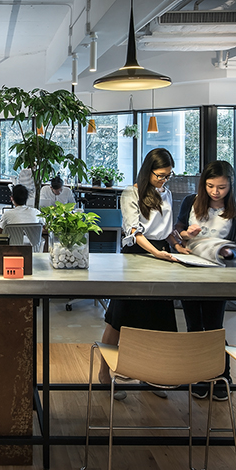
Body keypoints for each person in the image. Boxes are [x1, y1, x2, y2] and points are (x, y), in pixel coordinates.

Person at [99, 148, 181, 400]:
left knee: (158, 320)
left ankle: (151, 375)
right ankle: (105, 373)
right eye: (160, 175)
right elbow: (135, 232)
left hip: (161, 254)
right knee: (119, 318)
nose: (164, 180)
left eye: (168, 176)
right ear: (148, 172)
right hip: (137, 254)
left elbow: (165, 230)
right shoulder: (131, 193)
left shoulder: (166, 193)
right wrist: (156, 253)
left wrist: (178, 243)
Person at [173, 160, 236, 401]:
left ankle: (222, 376)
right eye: (211, 186)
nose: (215, 191)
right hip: (191, 268)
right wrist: (185, 234)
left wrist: (229, 252)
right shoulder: (190, 202)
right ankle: (199, 376)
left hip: (218, 272)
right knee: (194, 326)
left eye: (222, 187)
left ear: (231, 186)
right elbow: (177, 231)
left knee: (214, 326)